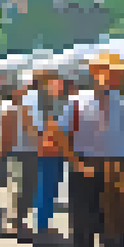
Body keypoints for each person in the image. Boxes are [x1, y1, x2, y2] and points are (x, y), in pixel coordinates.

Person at [54, 53, 124, 247]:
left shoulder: (121, 104)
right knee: (82, 231)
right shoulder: (76, 102)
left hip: (115, 169)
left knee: (114, 233)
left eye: (116, 73)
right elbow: (60, 134)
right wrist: (76, 163)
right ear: (95, 72)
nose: (114, 77)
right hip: (84, 167)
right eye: (109, 72)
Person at [0, 75, 39, 240]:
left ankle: (20, 221)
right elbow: (6, 133)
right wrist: (3, 151)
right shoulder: (10, 108)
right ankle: (14, 223)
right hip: (17, 152)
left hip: (32, 151)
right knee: (17, 187)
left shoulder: (34, 107)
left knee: (28, 189)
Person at [33, 71, 71, 237]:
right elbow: (49, 127)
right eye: (57, 81)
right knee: (46, 189)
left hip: (54, 150)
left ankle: (44, 224)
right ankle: (42, 227)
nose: (60, 84)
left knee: (50, 188)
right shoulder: (45, 103)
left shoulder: (53, 102)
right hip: (50, 151)